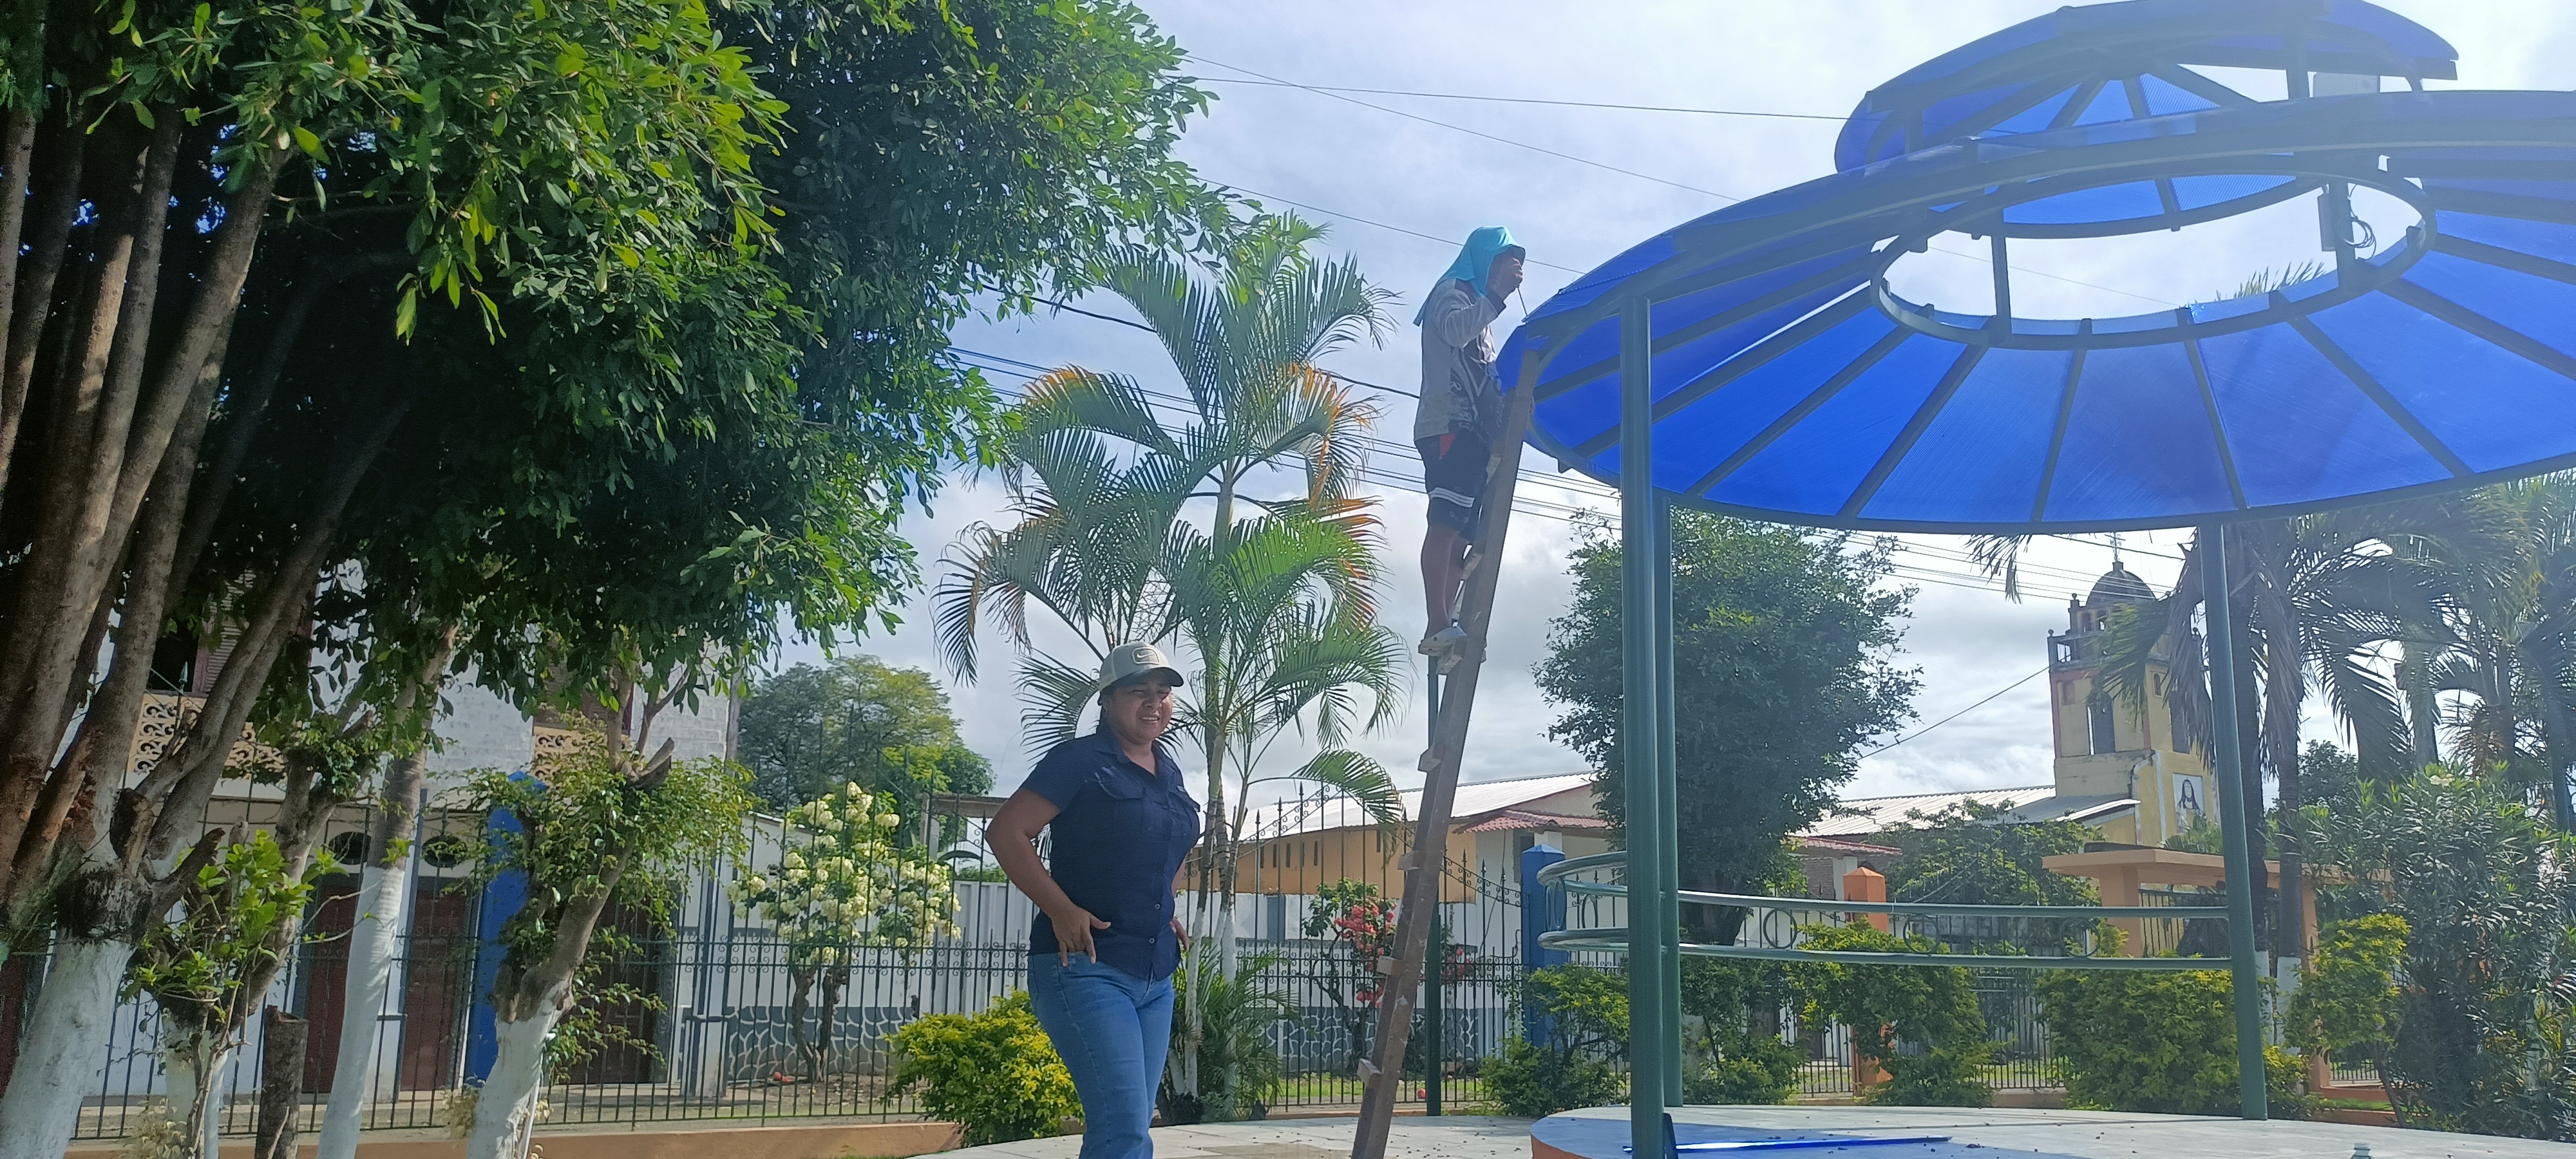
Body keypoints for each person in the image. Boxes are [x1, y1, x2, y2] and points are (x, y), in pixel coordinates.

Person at [988, 642, 1201, 1159]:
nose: (1154, 703)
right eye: (1138, 692)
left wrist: (1164, 905)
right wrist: (1061, 910)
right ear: (1106, 700)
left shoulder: (1168, 770)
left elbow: (1174, 846)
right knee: (1123, 1127)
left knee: (1131, 1125)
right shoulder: (1078, 762)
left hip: (1154, 975)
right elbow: (1007, 832)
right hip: (1086, 968)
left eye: (1162, 693)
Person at [1414, 225, 1525, 655]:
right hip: (1448, 423)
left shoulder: (1480, 309)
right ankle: (1437, 622)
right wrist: (1497, 295)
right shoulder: (1451, 293)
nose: (1507, 270)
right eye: (1501, 260)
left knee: (1462, 532)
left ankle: (1447, 621)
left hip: (1473, 428)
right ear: (1483, 258)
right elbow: (1456, 331)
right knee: (1445, 523)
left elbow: (1482, 368)